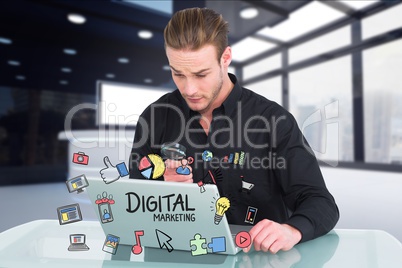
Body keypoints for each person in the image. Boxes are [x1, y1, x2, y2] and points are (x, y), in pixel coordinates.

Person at [129, 7, 339, 254]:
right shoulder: (155, 117)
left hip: (256, 259)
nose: (190, 89)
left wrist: (292, 230)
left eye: (201, 74)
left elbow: (320, 202)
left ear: (225, 57)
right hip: (175, 255)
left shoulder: (274, 120)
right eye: (178, 74)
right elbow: (134, 199)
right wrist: (163, 190)